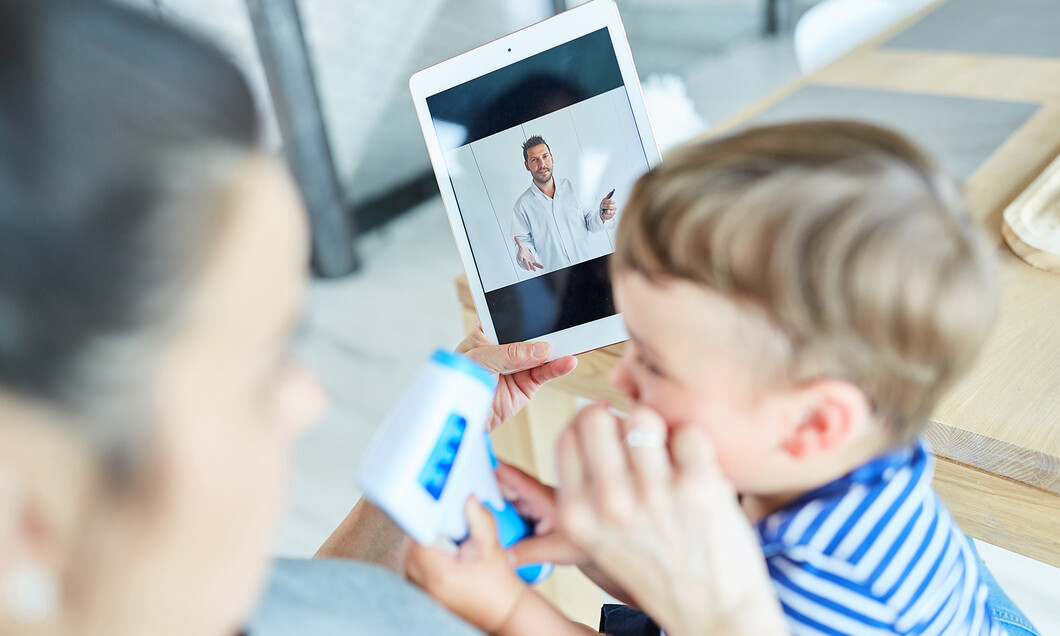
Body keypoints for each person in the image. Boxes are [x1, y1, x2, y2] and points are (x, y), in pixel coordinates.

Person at [0, 2, 579, 635]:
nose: (309, 400)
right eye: (258, 371)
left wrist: (412, 485)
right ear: (24, 513)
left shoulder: (183, 593)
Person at [408, 121, 1042, 636]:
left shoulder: (836, 598)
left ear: (813, 423)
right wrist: (600, 551)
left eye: (655, 361)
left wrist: (510, 611)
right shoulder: (822, 462)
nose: (622, 377)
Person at [511, 136, 616, 273]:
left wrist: (603, 217)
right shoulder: (522, 206)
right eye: (534, 160)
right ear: (527, 165)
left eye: (545, 156)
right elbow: (523, 245)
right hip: (558, 282)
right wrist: (525, 255)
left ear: (552, 158)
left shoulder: (571, 188)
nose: (542, 164)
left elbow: (589, 221)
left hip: (589, 270)